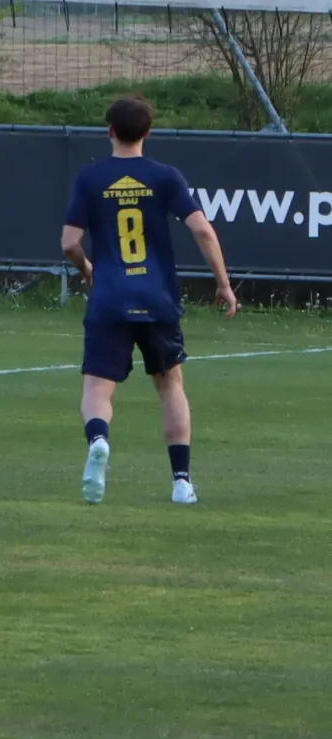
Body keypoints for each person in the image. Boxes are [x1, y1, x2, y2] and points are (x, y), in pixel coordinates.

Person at [61, 97, 238, 505]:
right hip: (157, 298)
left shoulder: (90, 179)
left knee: (97, 388)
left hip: (109, 299)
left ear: (109, 132)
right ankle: (181, 482)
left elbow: (69, 242)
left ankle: (99, 440)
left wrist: (87, 268)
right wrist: (224, 285)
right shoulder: (165, 177)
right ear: (147, 133)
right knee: (169, 384)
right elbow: (204, 231)